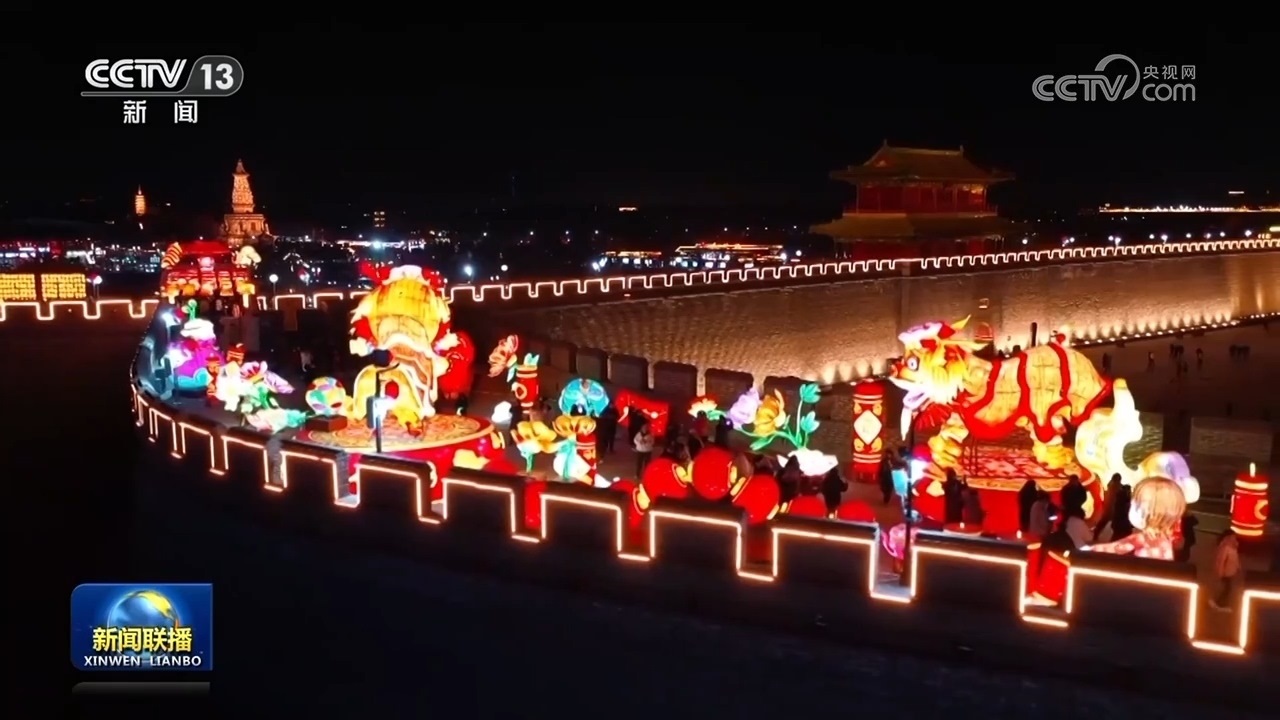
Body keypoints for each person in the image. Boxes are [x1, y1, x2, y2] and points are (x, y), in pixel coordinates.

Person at [1086, 476, 1187, 560]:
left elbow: (1117, 548)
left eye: (1136, 505)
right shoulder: (1165, 540)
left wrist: (1089, 549)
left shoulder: (1143, 538)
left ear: (1150, 513)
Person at [1210, 530, 1241, 611]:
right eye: (1233, 537)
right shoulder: (1226, 547)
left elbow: (1235, 558)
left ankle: (1218, 602)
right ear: (1228, 537)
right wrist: (1220, 572)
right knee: (1226, 589)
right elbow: (1221, 561)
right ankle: (1218, 603)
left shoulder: (1233, 546)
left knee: (1227, 588)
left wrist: (1238, 566)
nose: (1234, 538)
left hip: (1231, 571)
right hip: (1226, 572)